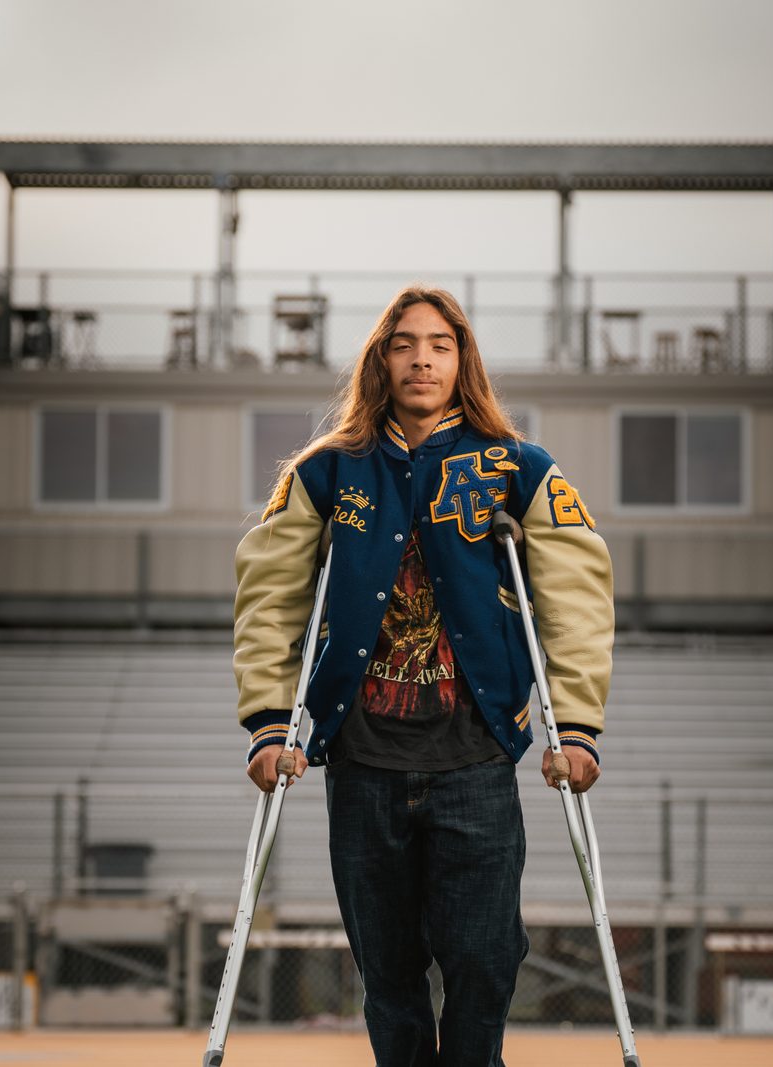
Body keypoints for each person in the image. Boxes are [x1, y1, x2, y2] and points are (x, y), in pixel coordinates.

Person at [233, 285, 614, 1066]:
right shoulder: (326, 471)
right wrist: (270, 722)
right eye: (405, 344)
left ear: (462, 359)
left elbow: (576, 596)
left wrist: (574, 725)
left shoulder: (519, 467)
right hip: (363, 759)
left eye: (440, 344)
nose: (422, 359)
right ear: (381, 359)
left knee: (484, 958)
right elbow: (269, 595)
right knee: (389, 973)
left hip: (473, 756)